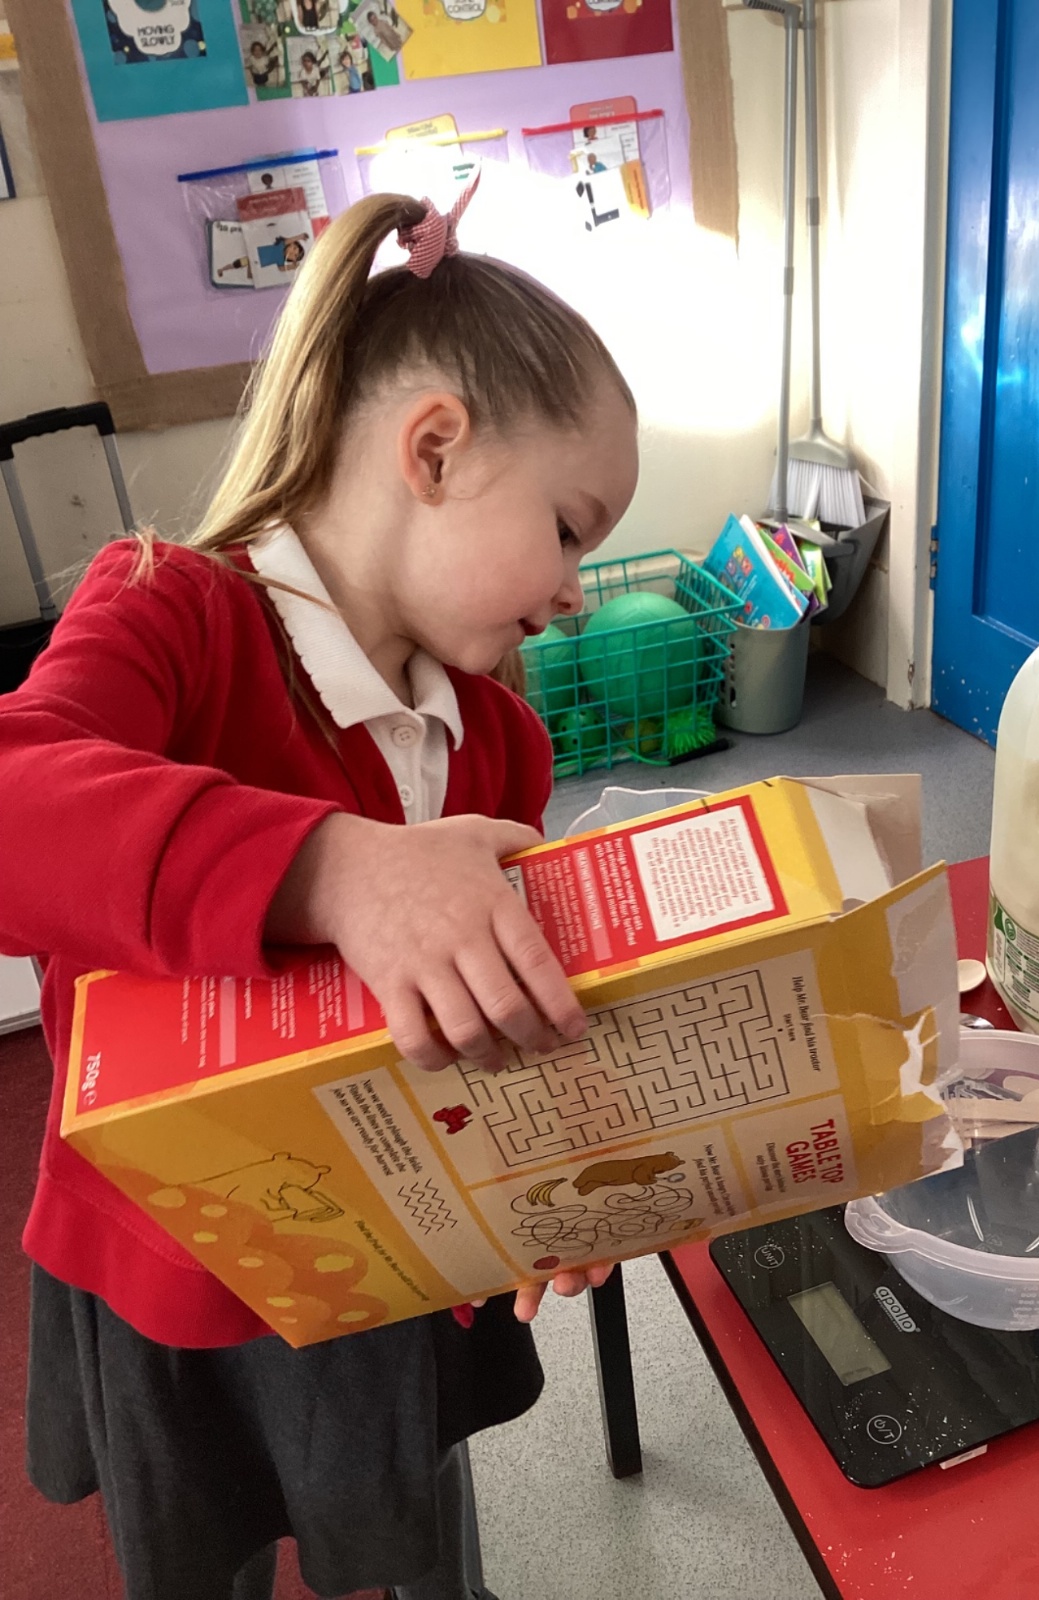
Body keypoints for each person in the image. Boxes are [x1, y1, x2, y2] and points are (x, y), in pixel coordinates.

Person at [0, 178, 638, 1600]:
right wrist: (333, 868)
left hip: (393, 1265)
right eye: (570, 528)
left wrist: (555, 1177)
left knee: (422, 1553)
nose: (577, 590)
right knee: (198, 1562)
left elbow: (491, 1014)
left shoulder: (502, 741)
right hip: (176, 1272)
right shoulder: (169, 608)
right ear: (434, 448)